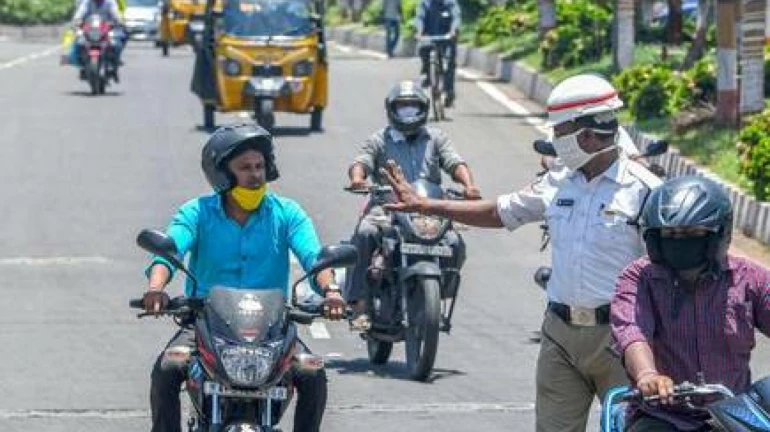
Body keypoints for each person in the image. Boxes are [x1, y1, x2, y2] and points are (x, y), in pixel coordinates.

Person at [379, 74, 663, 432]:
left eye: (560, 132)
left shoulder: (647, 191)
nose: (554, 140)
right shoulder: (557, 182)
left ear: (587, 135)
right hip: (560, 334)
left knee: (631, 427)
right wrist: (426, 206)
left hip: (624, 339)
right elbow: (499, 212)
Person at [141, 123, 347, 432]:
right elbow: (169, 253)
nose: (255, 175)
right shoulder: (197, 212)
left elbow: (314, 258)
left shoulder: (288, 213)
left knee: (312, 373)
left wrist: (331, 291)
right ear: (222, 174)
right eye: (245, 168)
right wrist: (156, 289)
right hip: (205, 326)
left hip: (273, 330)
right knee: (168, 368)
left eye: (260, 166)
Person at [611, 175, 770, 431]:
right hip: (663, 416)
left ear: (719, 234)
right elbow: (632, 332)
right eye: (670, 234)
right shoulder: (639, 277)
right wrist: (648, 375)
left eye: (691, 233)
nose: (679, 241)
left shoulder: (751, 279)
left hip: (735, 414)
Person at [344, 80, 480, 328]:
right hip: (387, 207)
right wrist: (357, 178)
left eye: (413, 107)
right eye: (402, 107)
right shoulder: (379, 139)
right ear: (391, 109)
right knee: (365, 233)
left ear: (424, 108)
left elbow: (455, 162)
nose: (408, 112)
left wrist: (469, 186)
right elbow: (362, 161)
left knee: (454, 242)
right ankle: (359, 304)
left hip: (429, 208)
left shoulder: (436, 138)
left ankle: (441, 291)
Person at [415, 0, 460, 107]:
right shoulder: (425, 3)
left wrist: (453, 30)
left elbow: (456, 17)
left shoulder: (450, 3)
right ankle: (428, 73)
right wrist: (419, 31)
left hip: (447, 38)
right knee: (423, 49)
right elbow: (420, 18)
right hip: (430, 37)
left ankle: (449, 93)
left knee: (450, 64)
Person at [69, 0, 125, 67]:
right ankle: (79, 61)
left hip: (106, 28)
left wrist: (119, 21)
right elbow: (80, 13)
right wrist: (76, 21)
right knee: (78, 42)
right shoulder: (87, 2)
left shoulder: (110, 2)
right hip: (89, 28)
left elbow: (115, 13)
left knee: (117, 44)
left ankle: (115, 60)